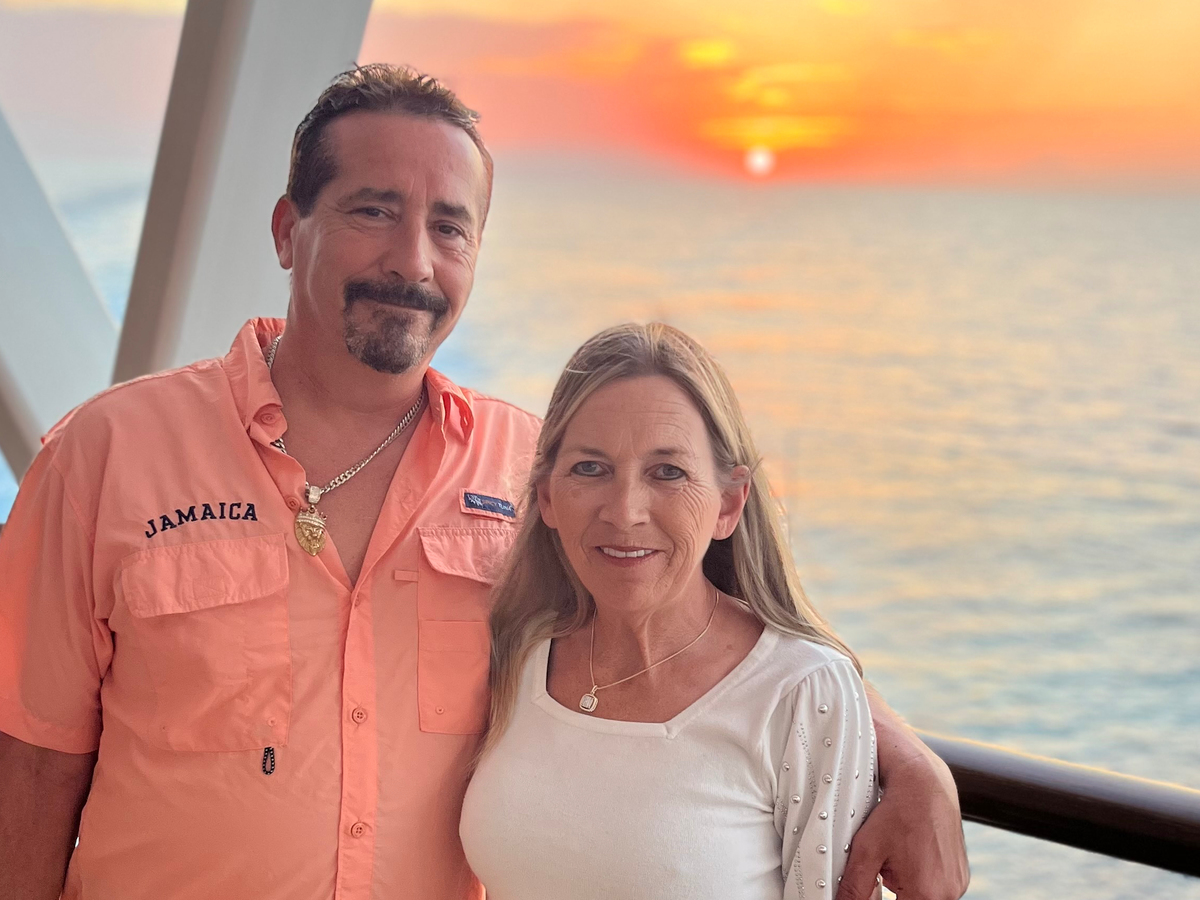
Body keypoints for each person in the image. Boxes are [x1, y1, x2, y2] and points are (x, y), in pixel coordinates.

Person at [0, 65, 968, 900]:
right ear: (290, 230)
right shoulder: (106, 454)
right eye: (374, 211)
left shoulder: (537, 474)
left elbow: (708, 620)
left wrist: (905, 756)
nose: (412, 261)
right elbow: (31, 766)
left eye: (450, 227)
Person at [461, 323, 875, 898]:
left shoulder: (802, 691)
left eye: (668, 472)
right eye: (590, 468)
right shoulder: (518, 651)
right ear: (548, 497)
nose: (625, 511)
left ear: (728, 504)